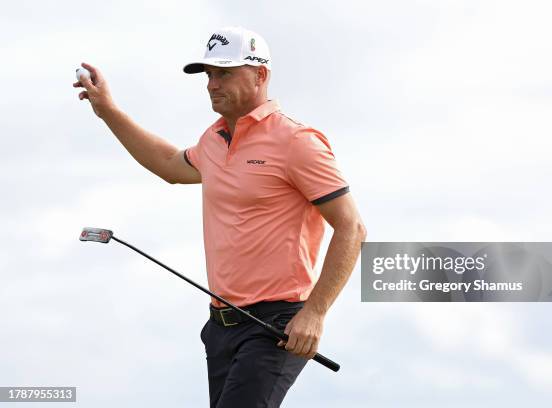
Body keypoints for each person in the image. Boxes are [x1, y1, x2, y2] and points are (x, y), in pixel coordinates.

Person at [74, 26, 366, 408]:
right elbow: (167, 164)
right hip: (220, 327)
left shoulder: (297, 142)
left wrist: (315, 314)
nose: (212, 84)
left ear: (260, 75)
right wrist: (107, 111)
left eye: (224, 72)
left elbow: (351, 227)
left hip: (277, 324)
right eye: (209, 74)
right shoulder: (214, 141)